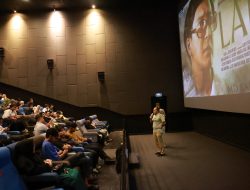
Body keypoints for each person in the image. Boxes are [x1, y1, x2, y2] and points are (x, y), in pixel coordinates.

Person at [184, 0, 217, 96]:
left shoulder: (226, 88)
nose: (209, 33)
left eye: (211, 21)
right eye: (201, 24)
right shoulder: (188, 94)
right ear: (189, 45)